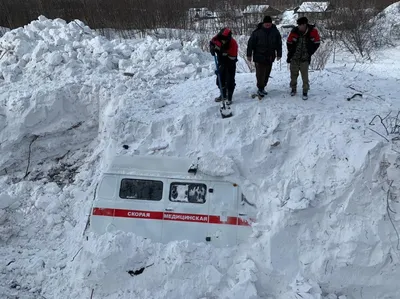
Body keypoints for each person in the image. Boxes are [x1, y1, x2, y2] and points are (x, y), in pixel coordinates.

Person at [246, 15, 282, 97]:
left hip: (270, 56)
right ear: (263, 23)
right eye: (266, 24)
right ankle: (260, 88)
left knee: (267, 73)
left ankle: (263, 87)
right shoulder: (257, 32)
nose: (268, 25)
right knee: (260, 74)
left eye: (269, 24)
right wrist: (249, 54)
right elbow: (250, 44)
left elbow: (279, 44)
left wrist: (279, 54)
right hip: (259, 56)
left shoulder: (275, 31)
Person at [286, 16, 321, 100]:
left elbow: (317, 42)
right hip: (294, 58)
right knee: (293, 75)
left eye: (301, 25)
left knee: (305, 76)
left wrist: (310, 52)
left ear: (305, 25)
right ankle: (293, 88)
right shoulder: (294, 31)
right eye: (298, 25)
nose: (299, 26)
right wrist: (291, 53)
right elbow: (288, 42)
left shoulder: (313, 31)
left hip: (305, 58)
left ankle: (305, 91)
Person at [209, 27, 238, 105]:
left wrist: (222, 52)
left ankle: (229, 97)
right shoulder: (217, 39)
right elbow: (212, 42)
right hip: (221, 62)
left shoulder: (233, 43)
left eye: (225, 40)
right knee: (220, 80)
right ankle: (223, 95)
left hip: (230, 63)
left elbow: (232, 57)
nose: (223, 41)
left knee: (229, 80)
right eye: (222, 39)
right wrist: (212, 48)